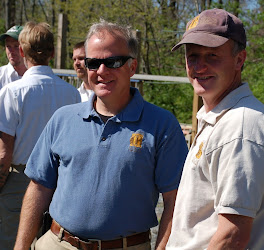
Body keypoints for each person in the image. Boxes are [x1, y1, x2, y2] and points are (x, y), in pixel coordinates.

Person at [14, 20, 188, 250]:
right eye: (94, 63)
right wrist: (21, 246)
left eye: (113, 61)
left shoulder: (161, 125)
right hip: (58, 243)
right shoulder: (62, 119)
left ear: (132, 66)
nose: (102, 71)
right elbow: (38, 188)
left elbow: (175, 202)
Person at [166, 8, 264, 250]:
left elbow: (232, 235)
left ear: (239, 59)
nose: (199, 66)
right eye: (192, 56)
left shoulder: (241, 128)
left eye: (212, 56)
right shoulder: (221, 118)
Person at [0, 21, 81, 249]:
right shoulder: (72, 94)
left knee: (12, 242)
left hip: (19, 181)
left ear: (22, 51)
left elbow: (4, 154)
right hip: (58, 181)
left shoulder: (12, 93)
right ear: (52, 52)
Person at [0, 25, 27, 89]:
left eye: (16, 46)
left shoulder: (37, 76)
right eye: (8, 46)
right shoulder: (1, 75)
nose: (11, 51)